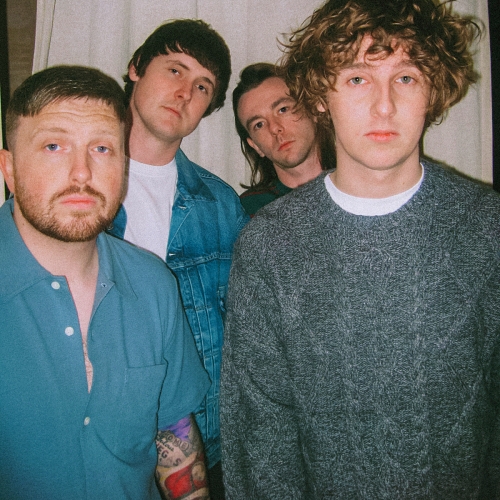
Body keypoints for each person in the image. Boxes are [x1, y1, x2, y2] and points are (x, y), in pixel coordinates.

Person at [220, 0, 500, 497]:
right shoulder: (269, 246)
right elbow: (261, 443)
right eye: (356, 78)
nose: (383, 105)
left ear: (432, 90)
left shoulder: (486, 227)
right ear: (320, 98)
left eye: (405, 77)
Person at [0, 66, 211, 500]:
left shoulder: (154, 284)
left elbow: (173, 430)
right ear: (10, 168)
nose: (81, 173)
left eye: (101, 148)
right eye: (54, 146)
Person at [107, 19, 248, 498]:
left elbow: (248, 336)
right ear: (136, 68)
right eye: (174, 69)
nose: (185, 92)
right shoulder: (77, 189)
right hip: (103, 453)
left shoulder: (221, 206)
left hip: (206, 451)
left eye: (203, 85)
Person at [233, 63, 334, 217]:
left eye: (283, 110)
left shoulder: (362, 187)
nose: (274, 128)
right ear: (255, 146)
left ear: (313, 110)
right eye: (259, 124)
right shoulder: (247, 212)